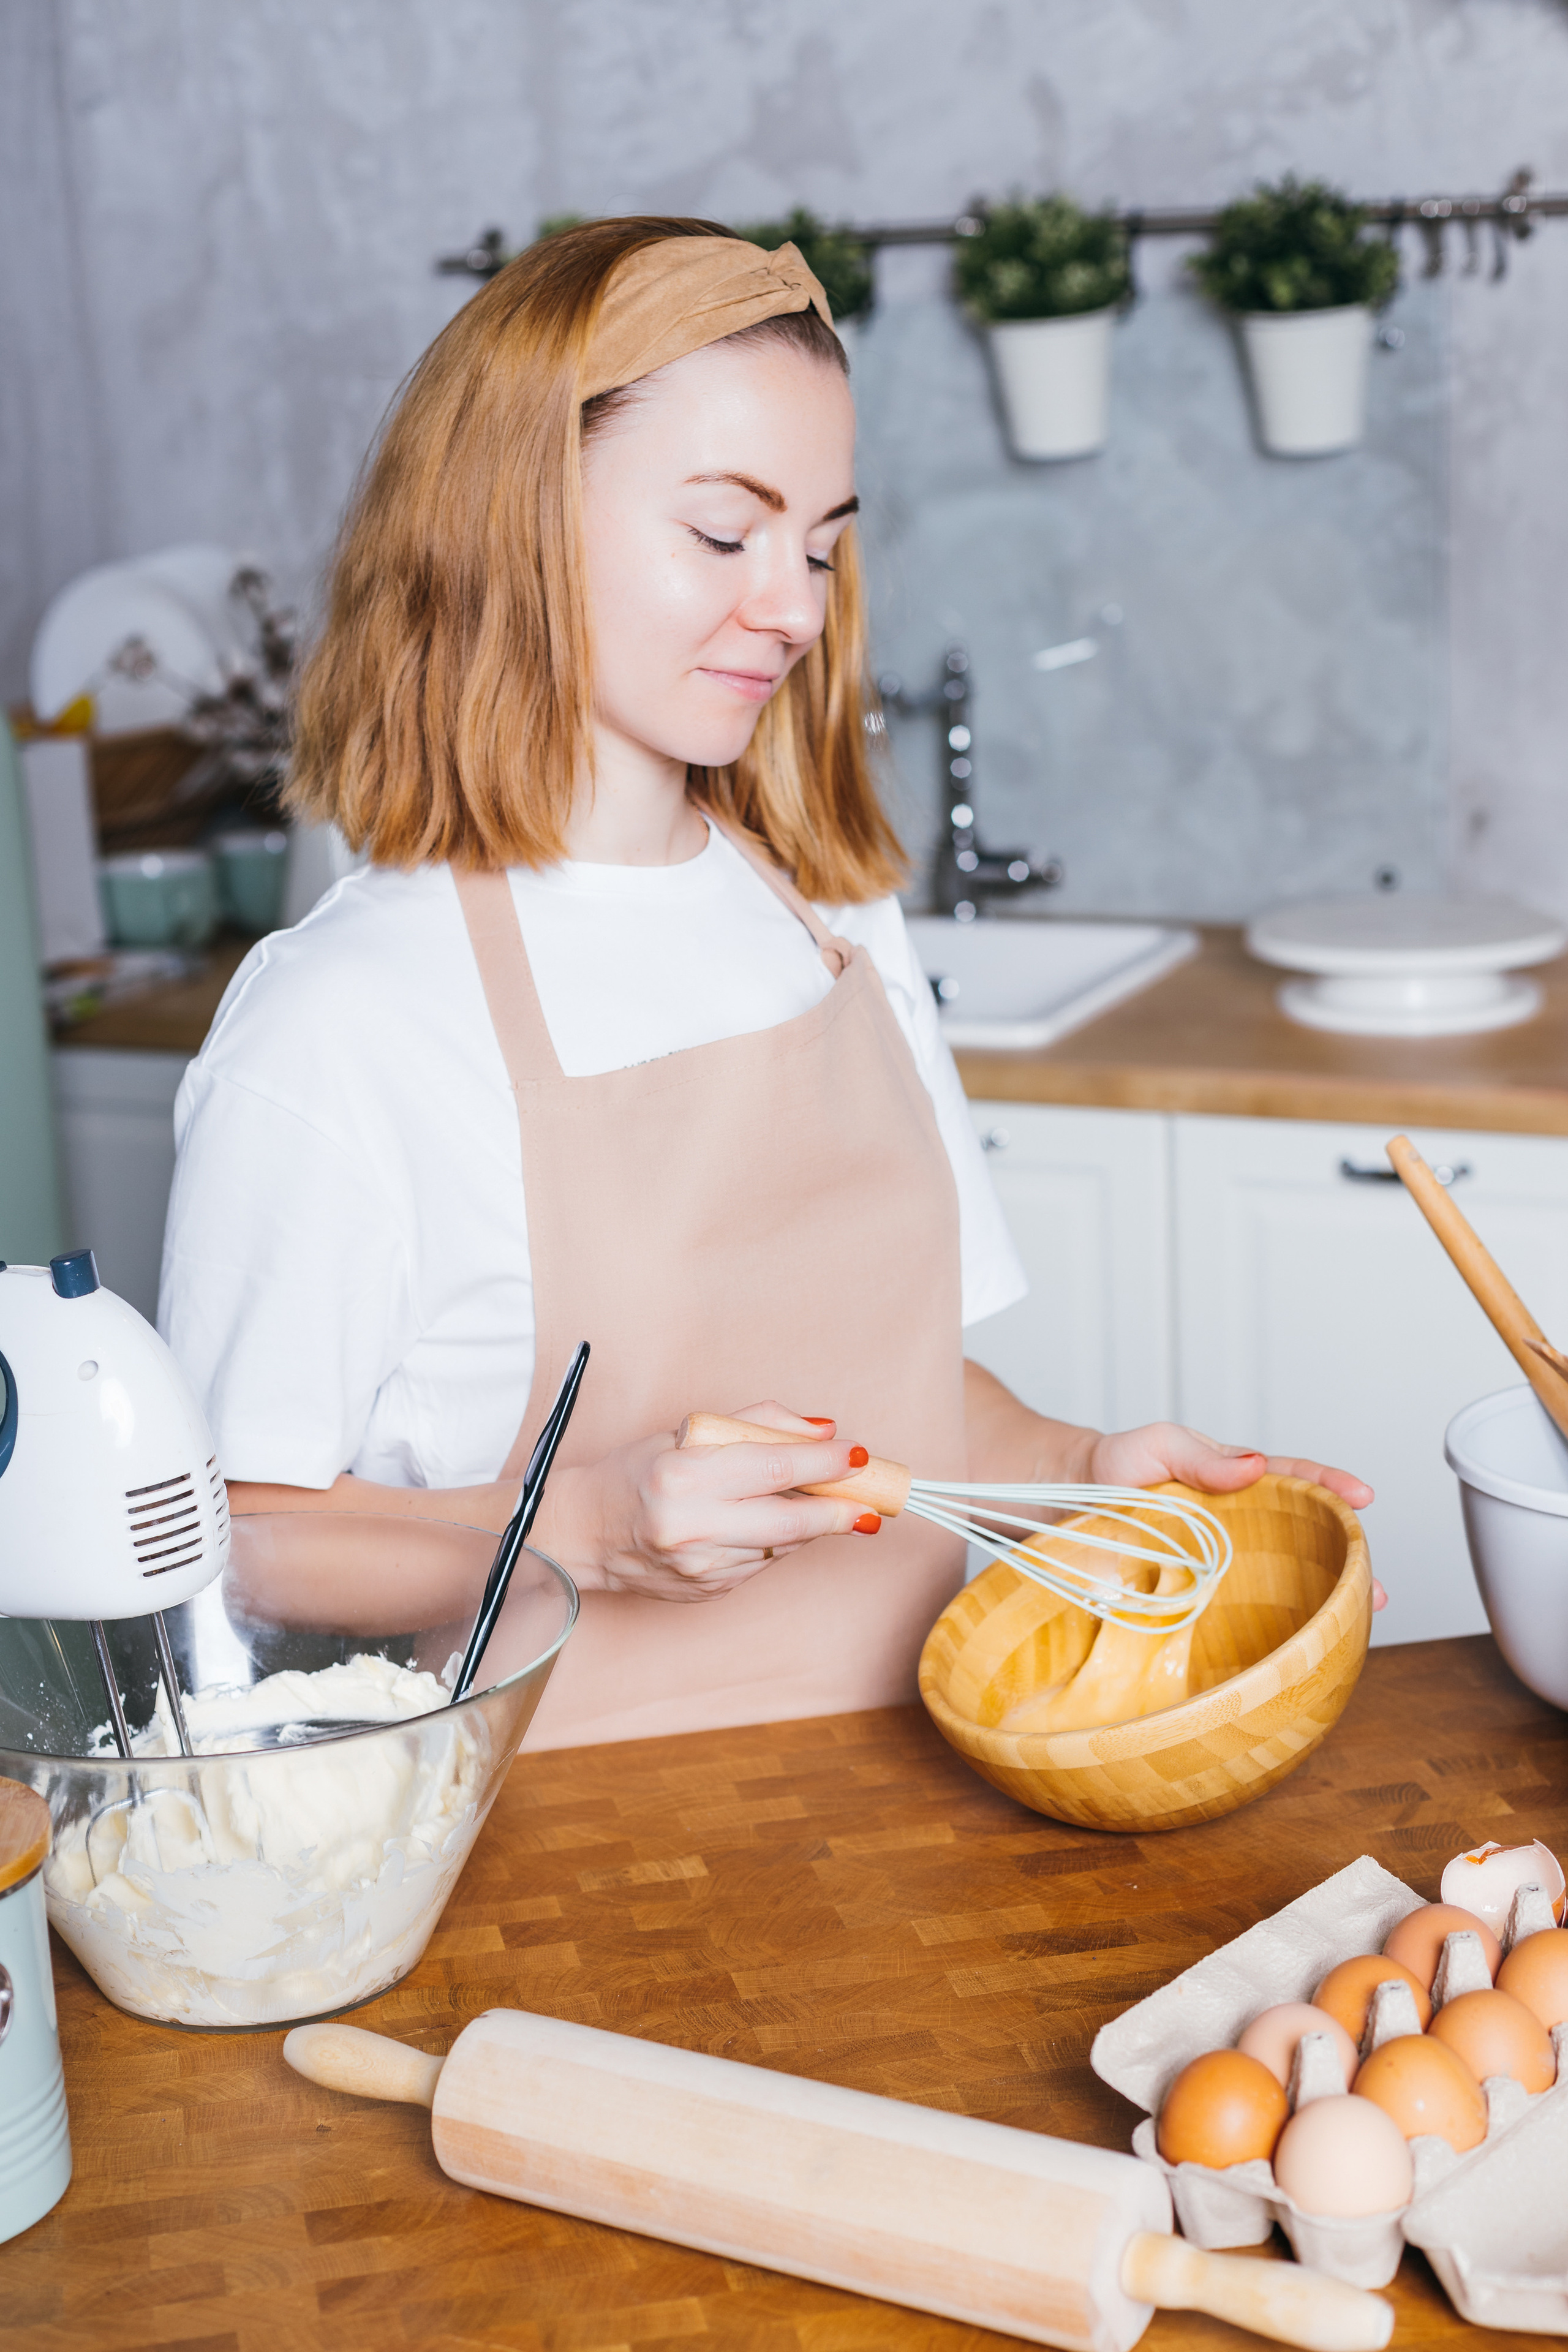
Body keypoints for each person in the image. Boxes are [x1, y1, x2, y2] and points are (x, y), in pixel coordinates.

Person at [159, 217, 1376, 1747]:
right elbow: (236, 1543)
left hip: (934, 1792)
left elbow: (909, 1394)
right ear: (513, 515)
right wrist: (585, 1529)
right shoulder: (343, 1019)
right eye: (724, 535)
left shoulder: (830, 920)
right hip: (579, 1860)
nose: (794, 609)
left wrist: (1080, 1465)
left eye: (818, 543)